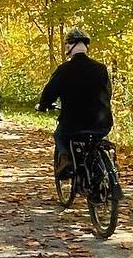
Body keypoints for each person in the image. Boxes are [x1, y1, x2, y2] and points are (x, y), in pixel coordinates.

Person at [36, 27, 114, 182]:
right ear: (86, 46)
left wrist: (43, 105)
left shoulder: (64, 70)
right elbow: (108, 93)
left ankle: (65, 159)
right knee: (95, 140)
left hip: (74, 124)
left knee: (59, 134)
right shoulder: (101, 69)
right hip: (102, 122)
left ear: (70, 46)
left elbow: (50, 91)